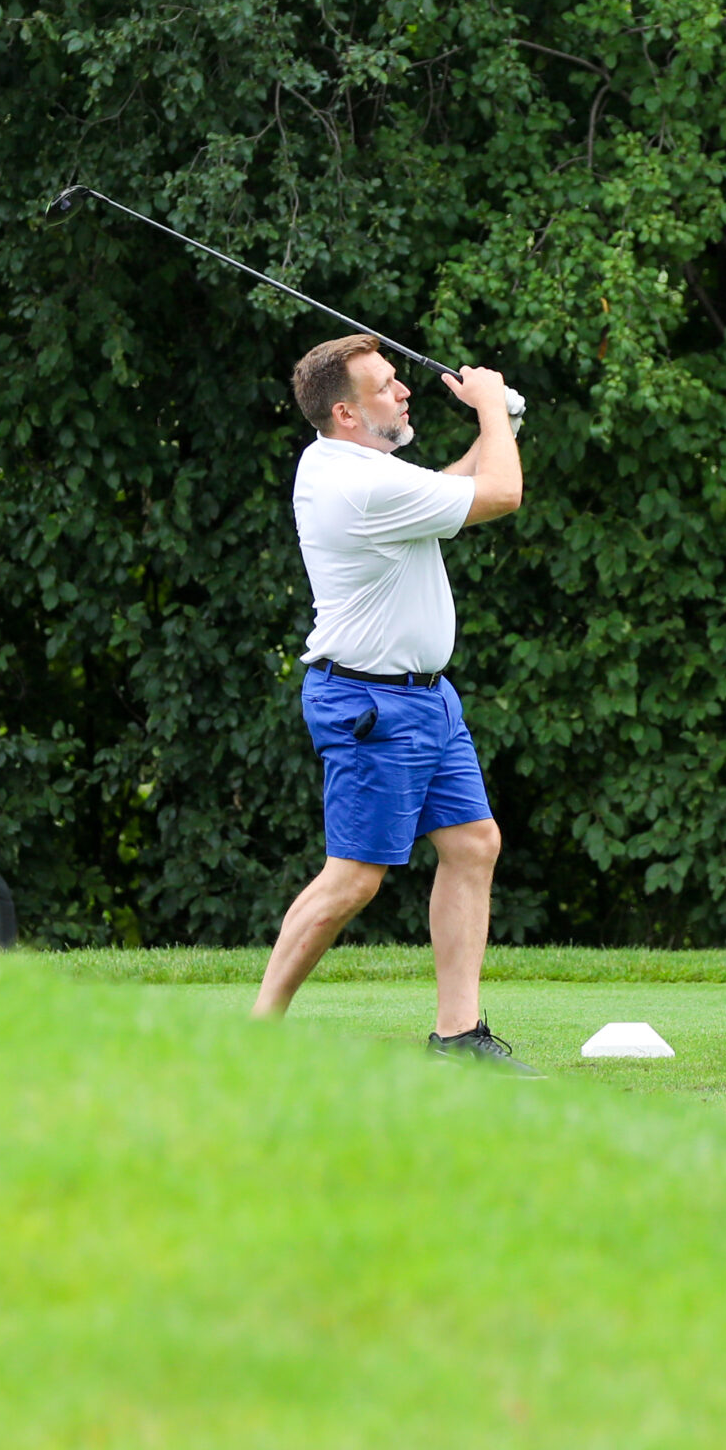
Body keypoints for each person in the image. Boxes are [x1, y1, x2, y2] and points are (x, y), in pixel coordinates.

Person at [251, 332, 537, 1074]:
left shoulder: (353, 466)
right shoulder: (357, 485)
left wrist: (496, 426)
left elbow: (450, 488)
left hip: (425, 700)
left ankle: (458, 1036)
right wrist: (492, 411)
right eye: (384, 386)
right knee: (353, 878)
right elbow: (501, 495)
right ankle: (252, 1037)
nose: (404, 390)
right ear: (345, 413)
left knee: (473, 843)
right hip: (372, 705)